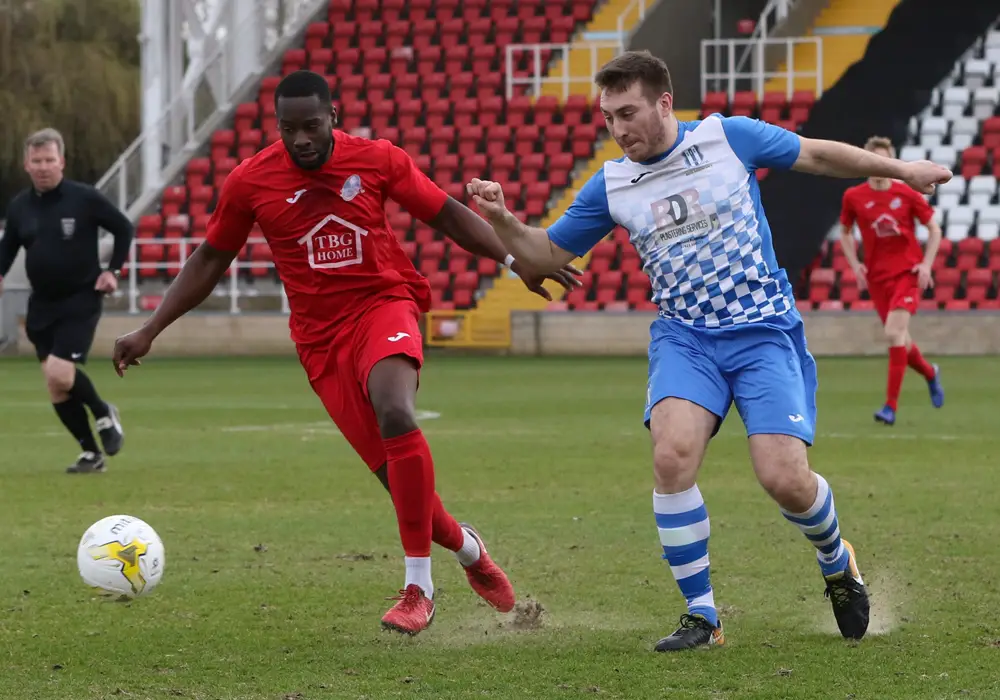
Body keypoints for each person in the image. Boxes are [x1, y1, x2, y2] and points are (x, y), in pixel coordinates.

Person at [467, 50, 952, 651]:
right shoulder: (613, 181)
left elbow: (817, 154)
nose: (618, 129)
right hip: (686, 338)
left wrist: (901, 169)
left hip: (762, 331)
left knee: (784, 479)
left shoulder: (728, 137)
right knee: (671, 457)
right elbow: (543, 256)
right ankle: (703, 617)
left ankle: (836, 558)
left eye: (628, 112)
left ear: (664, 103)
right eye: (607, 117)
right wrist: (503, 220)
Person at [111, 70, 582, 636]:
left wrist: (515, 260)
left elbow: (446, 213)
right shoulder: (250, 182)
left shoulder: (378, 159)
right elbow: (211, 259)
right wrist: (151, 328)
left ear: (332, 117)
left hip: (385, 303)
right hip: (320, 341)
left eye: (311, 126)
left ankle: (418, 589)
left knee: (395, 409)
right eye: (289, 129)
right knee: (402, 485)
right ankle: (469, 550)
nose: (302, 140)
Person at [0, 128, 130, 474]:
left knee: (61, 371)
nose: (44, 166)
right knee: (56, 386)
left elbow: (123, 227)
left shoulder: (84, 198)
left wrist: (112, 270)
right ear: (27, 164)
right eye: (37, 160)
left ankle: (104, 412)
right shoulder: (20, 207)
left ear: (62, 162)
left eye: (50, 160)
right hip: (41, 303)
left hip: (81, 298)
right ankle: (91, 454)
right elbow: (8, 247)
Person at [839, 136, 945, 425]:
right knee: (900, 339)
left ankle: (890, 407)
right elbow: (845, 232)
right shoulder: (854, 197)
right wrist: (856, 265)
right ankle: (931, 373)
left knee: (893, 334)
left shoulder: (907, 193)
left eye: (885, 160)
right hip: (877, 278)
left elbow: (934, 230)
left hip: (907, 275)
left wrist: (925, 264)